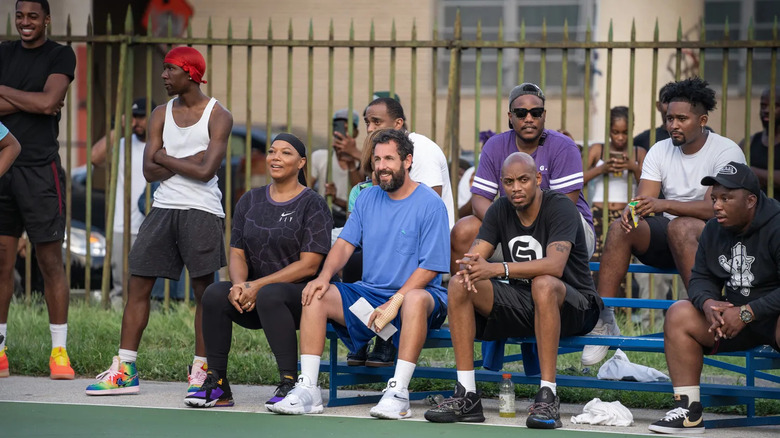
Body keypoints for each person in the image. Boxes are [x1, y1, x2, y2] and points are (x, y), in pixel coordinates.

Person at [271, 129, 450, 420]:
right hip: (369, 296)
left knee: (415, 299)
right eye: (377, 159)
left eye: (389, 158)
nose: (381, 166)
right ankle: (308, 389)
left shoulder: (430, 204)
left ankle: (398, 392)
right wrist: (323, 277)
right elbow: (344, 245)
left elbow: (431, 266)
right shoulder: (367, 199)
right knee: (317, 295)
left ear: (407, 161)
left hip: (419, 297)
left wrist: (396, 301)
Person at [86, 46, 233, 396]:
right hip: (162, 208)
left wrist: (169, 157)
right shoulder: (159, 113)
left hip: (202, 210)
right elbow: (149, 170)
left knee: (205, 294)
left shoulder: (219, 115)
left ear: (191, 73)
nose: (163, 76)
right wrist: (188, 159)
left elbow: (206, 171)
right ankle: (125, 369)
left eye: (170, 70)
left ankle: (202, 370)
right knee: (138, 284)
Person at [423, 152, 601, 429]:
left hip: (575, 305)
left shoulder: (561, 207)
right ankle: (467, 393)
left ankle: (548, 395)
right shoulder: (499, 209)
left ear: (538, 179)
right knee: (459, 283)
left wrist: (497, 269)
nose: (516, 188)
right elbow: (474, 257)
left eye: (523, 180)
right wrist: (471, 266)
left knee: (543, 283)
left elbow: (554, 266)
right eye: (508, 181)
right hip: (526, 302)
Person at [582, 77, 747, 367]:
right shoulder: (659, 150)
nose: (673, 125)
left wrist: (663, 204)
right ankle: (603, 318)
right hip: (669, 236)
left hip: (716, 242)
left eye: (682, 118)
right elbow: (644, 202)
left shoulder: (726, 151)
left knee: (681, 226)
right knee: (623, 228)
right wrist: (631, 211)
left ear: (703, 119)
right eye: (670, 118)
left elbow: (716, 209)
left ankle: (700, 312)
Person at [185, 133, 332, 410]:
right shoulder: (250, 200)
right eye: (272, 151)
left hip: (300, 300)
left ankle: (290, 382)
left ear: (301, 162)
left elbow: (310, 265)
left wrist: (258, 286)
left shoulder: (312, 203)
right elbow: (237, 252)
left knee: (272, 294)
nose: (276, 157)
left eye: (285, 153)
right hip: (255, 296)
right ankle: (217, 384)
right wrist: (240, 286)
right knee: (215, 293)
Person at [649, 161, 780, 434]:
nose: (716, 205)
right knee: (679, 314)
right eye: (714, 198)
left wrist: (747, 313)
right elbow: (700, 278)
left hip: (771, 316)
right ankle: (688, 410)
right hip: (731, 320)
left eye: (726, 198)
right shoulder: (713, 228)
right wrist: (708, 303)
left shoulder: (777, 225)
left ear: (751, 201)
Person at [343, 96, 455, 368]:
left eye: (377, 122)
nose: (370, 128)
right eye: (368, 122)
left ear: (399, 123)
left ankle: (385, 339)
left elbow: (426, 208)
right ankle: (369, 334)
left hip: (423, 246)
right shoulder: (379, 164)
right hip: (392, 244)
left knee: (381, 263)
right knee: (350, 263)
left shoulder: (422, 150)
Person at [0, 0, 76, 380]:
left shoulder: (61, 55)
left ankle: (58, 352)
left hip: (40, 171)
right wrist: (34, 102)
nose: (25, 23)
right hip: (2, 166)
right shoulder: (3, 52)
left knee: (50, 263)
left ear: (46, 19)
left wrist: (5, 94)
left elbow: (49, 102)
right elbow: (43, 102)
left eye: (33, 16)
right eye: (19, 16)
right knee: (2, 263)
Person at [451, 82, 595, 275]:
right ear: (510, 117)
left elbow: (565, 209)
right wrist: (507, 227)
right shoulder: (494, 146)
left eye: (535, 113)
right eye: (521, 113)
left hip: (565, 233)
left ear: (544, 115)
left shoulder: (564, 147)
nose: (529, 118)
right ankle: (465, 297)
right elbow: (479, 200)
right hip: (514, 232)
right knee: (463, 230)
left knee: (560, 221)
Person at [91, 97, 156, 305]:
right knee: (121, 284)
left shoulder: (162, 145)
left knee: (150, 284)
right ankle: (119, 318)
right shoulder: (122, 144)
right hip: (123, 224)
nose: (136, 122)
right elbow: (95, 157)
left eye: (140, 117)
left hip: (153, 224)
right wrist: (119, 128)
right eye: (132, 117)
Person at [583, 106, 640, 291]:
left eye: (625, 133)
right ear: (609, 131)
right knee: (596, 260)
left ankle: (622, 311)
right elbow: (577, 179)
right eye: (616, 132)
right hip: (599, 212)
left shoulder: (639, 152)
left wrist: (633, 167)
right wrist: (601, 169)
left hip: (628, 214)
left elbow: (650, 186)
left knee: (623, 263)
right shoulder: (597, 150)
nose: (620, 138)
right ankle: (596, 305)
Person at [309, 109, 362, 227]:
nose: (342, 132)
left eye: (347, 128)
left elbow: (361, 200)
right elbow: (305, 190)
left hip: (352, 220)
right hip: (324, 217)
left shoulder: (362, 161)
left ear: (356, 133)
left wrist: (351, 164)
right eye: (338, 127)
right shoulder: (320, 157)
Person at [741, 86, 780, 201]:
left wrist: (750, 172)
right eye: (763, 106)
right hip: (755, 212)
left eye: (775, 106)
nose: (766, 110)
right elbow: (733, 170)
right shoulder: (749, 142)